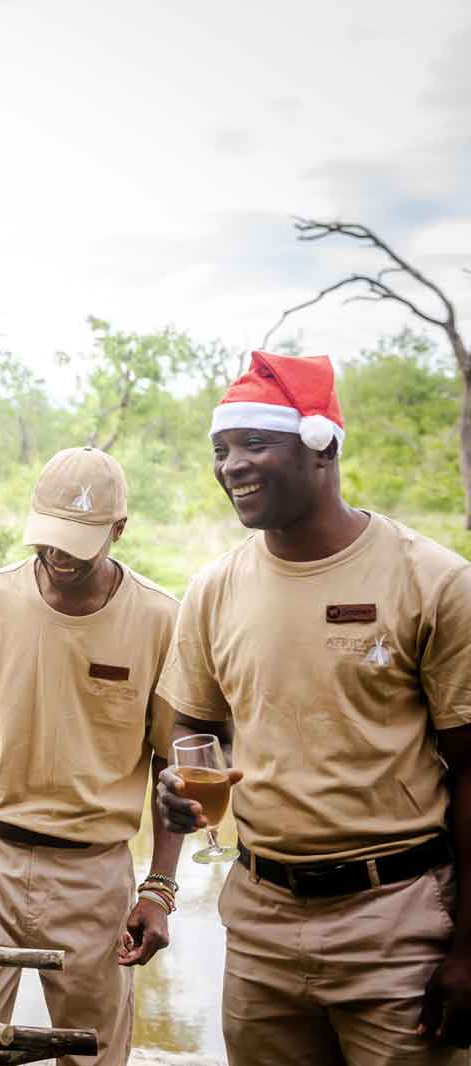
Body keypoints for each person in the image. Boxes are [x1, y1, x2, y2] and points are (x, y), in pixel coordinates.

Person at [155, 350, 471, 1065]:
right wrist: (185, 792)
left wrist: (468, 952)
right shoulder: (213, 589)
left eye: (255, 444)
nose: (231, 465)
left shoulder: (433, 581)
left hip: (397, 925)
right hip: (260, 926)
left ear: (320, 447)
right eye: (221, 449)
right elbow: (195, 730)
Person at [0, 445, 184, 1066]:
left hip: (95, 876)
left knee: (93, 1053)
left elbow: (172, 769)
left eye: (78, 541)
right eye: (49, 538)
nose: (58, 555)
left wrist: (161, 889)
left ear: (118, 530)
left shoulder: (160, 619)